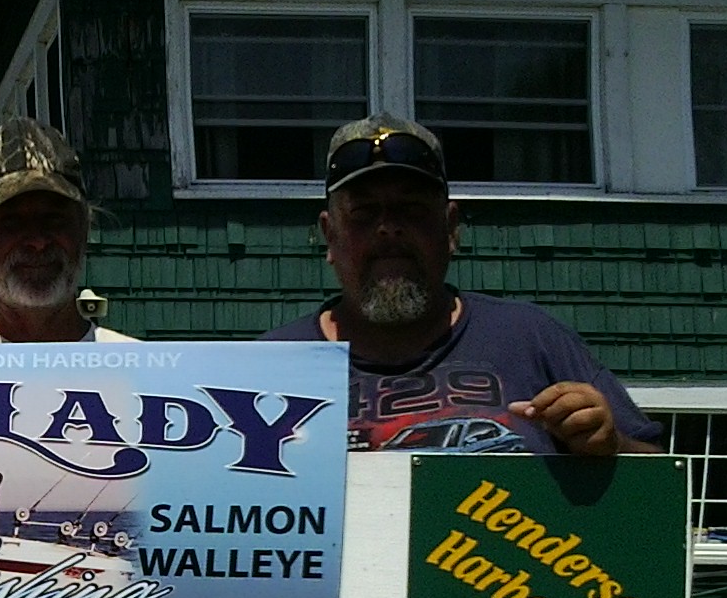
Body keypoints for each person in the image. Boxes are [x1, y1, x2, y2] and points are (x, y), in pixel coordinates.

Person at [262, 114, 658, 456]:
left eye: (413, 209)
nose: (388, 228)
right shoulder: (269, 365)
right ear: (330, 236)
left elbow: (659, 484)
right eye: (363, 213)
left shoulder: (531, 338)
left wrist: (609, 446)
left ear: (451, 228)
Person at [0, 117, 134, 344]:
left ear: (85, 227)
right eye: (12, 223)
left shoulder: (145, 369)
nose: (37, 242)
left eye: (55, 220)